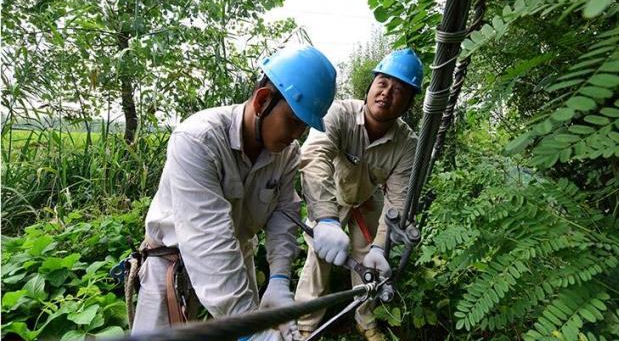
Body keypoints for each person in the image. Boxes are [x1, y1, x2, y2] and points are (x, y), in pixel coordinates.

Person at [131, 45, 337, 341]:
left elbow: (283, 213)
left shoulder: (286, 153)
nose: (296, 136)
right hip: (171, 265)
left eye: (304, 128)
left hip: (237, 262)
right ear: (263, 100)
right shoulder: (198, 140)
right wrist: (250, 327)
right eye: (293, 122)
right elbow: (208, 239)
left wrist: (279, 278)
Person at [294, 49, 423, 341]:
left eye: (399, 90)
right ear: (371, 85)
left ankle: (365, 320)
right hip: (331, 197)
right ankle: (304, 326)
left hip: (367, 200)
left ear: (409, 102)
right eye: (382, 83)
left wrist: (380, 246)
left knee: (369, 266)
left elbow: (399, 199)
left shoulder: (407, 144)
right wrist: (325, 221)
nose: (386, 94)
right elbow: (313, 158)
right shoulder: (339, 113)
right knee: (318, 258)